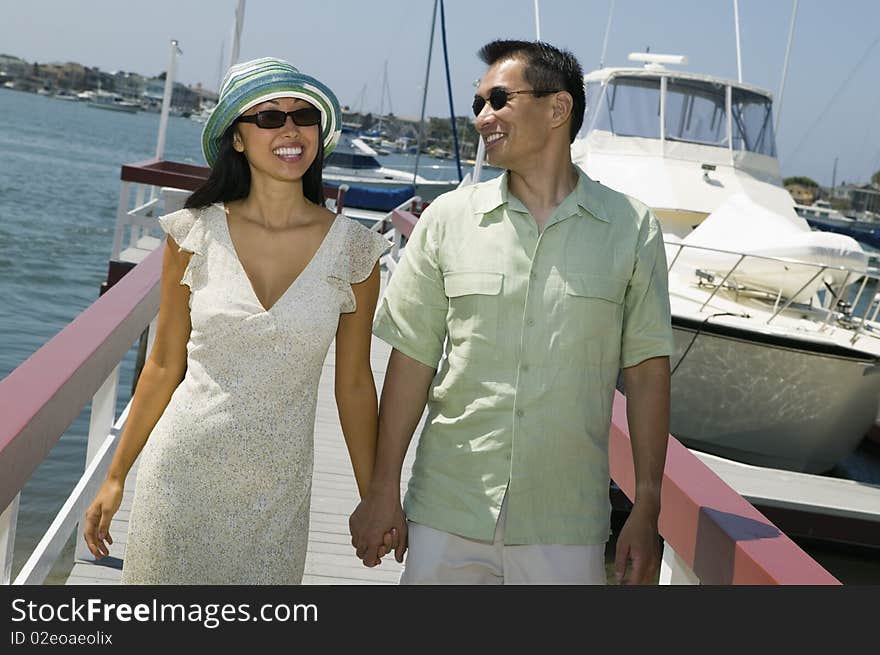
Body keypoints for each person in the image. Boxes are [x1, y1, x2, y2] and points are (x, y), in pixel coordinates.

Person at [349, 40, 674, 585]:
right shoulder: (446, 220)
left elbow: (647, 375)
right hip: (446, 509)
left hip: (566, 522)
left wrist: (647, 507)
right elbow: (410, 364)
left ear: (557, 110)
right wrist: (382, 490)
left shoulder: (633, 230)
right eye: (478, 103)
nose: (482, 117)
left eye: (498, 99)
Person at [83, 57, 390, 584]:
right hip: (180, 473)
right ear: (238, 139)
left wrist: (373, 497)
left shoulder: (355, 253)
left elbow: (357, 386)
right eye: (269, 117)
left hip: (278, 492)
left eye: (303, 116)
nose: (291, 128)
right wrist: (115, 477)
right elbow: (162, 366)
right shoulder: (192, 233)